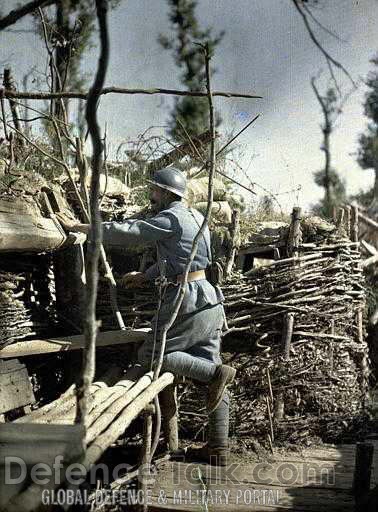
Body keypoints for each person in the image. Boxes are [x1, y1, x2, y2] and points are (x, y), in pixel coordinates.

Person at [57, 167, 236, 466]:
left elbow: (131, 231)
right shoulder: (195, 217)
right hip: (210, 300)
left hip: (186, 301)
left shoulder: (170, 217)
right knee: (212, 371)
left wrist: (83, 227)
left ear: (166, 193)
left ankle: (216, 374)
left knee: (153, 357)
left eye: (154, 190)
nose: (151, 195)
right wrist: (146, 274)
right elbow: (184, 259)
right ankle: (220, 448)